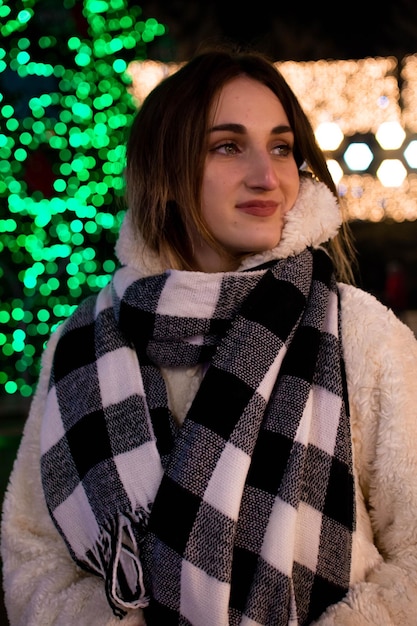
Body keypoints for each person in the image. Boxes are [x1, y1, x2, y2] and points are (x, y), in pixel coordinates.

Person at [2, 44, 417, 626]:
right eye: (228, 146)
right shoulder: (80, 345)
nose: (267, 175)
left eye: (280, 146)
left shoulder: (360, 332)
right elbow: (34, 558)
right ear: (167, 172)